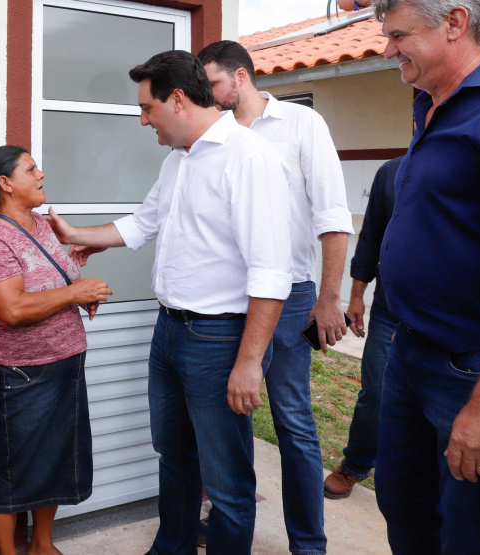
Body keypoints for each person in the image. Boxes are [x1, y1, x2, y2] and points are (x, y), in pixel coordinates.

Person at [47, 50, 292, 554]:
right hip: (171, 332)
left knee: (225, 479)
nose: (142, 120)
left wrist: (249, 362)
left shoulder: (249, 158)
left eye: (146, 107)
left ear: (177, 99)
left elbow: (271, 273)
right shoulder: (178, 160)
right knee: (174, 457)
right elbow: (145, 221)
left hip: (220, 339)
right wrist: (77, 233)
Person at [373, 0, 480, 552]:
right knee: (406, 506)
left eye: (398, 36)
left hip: (473, 367)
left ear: (455, 23)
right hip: (409, 352)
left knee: (477, 531)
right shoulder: (430, 105)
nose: (388, 50)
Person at [196, 41, 353, 554]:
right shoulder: (212, 133)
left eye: (213, 83)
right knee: (226, 413)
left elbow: (332, 216)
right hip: (225, 301)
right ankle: (226, 522)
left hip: (287, 297)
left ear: (240, 77)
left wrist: (329, 297)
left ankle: (309, 545)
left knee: (292, 421)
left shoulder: (300, 126)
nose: (208, 93)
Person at [0, 145, 111, 555]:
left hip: (65, 364)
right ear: (6, 184)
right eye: (31, 169)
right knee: (14, 471)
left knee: (54, 462)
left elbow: (51, 285)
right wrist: (73, 292)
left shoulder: (41, 225)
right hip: (22, 373)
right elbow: (11, 309)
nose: (41, 174)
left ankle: (42, 545)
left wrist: (80, 295)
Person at [323, 156, 402, 499]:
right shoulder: (392, 172)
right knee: (376, 395)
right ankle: (356, 465)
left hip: (452, 317)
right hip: (388, 310)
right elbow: (370, 240)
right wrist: (356, 297)